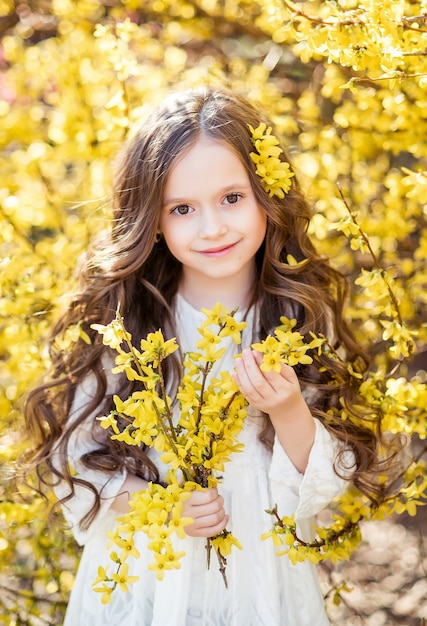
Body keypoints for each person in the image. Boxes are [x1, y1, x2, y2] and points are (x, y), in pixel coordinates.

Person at [24, 87, 386, 626]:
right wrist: (159, 505)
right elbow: (74, 456)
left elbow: (333, 478)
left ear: (268, 193)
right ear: (153, 218)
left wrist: (288, 411)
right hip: (150, 581)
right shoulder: (127, 322)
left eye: (232, 198)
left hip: (265, 580)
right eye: (183, 208)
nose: (212, 227)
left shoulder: (301, 318)